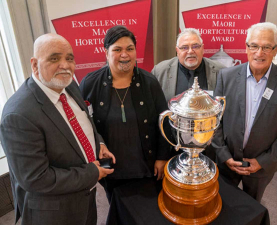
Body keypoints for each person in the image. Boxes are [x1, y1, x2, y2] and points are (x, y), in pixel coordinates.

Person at [0, 33, 115, 225]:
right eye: (54, 58)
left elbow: (85, 121)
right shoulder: (18, 115)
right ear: (35, 64)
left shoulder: (68, 85)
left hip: (85, 199)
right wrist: (91, 173)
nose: (65, 65)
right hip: (54, 213)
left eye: (69, 58)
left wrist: (99, 142)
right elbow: (36, 178)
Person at [79, 26, 170, 202]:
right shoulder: (90, 83)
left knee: (147, 210)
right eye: (117, 49)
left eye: (130, 49)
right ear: (106, 52)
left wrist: (162, 157)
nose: (125, 54)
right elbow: (83, 124)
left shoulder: (149, 82)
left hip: (146, 166)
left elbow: (163, 122)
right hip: (111, 169)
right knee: (117, 209)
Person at [211, 22, 277, 202]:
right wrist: (224, 156)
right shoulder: (225, 76)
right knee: (222, 203)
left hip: (262, 167)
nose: (259, 53)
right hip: (227, 162)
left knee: (252, 206)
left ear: (276, 49)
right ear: (246, 47)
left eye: (267, 47)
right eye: (254, 46)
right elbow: (215, 121)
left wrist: (263, 161)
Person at [151, 28, 225, 103]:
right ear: (177, 51)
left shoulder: (220, 71)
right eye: (184, 47)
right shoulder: (160, 72)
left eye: (195, 46)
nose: (190, 51)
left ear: (202, 49)